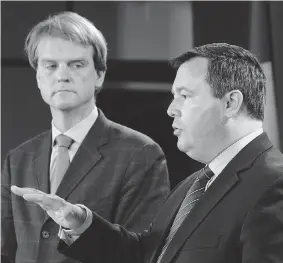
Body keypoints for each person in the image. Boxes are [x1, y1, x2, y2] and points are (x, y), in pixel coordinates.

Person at [11, 43, 283, 263]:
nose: (171, 109)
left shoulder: (273, 184)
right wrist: (80, 222)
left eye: (184, 96)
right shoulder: (194, 184)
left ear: (231, 103)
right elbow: (145, 255)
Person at [1, 11, 170, 263]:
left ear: (99, 74)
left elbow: (143, 253)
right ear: (38, 77)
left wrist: (79, 224)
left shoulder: (141, 153)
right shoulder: (18, 158)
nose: (62, 75)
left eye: (76, 64)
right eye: (50, 66)